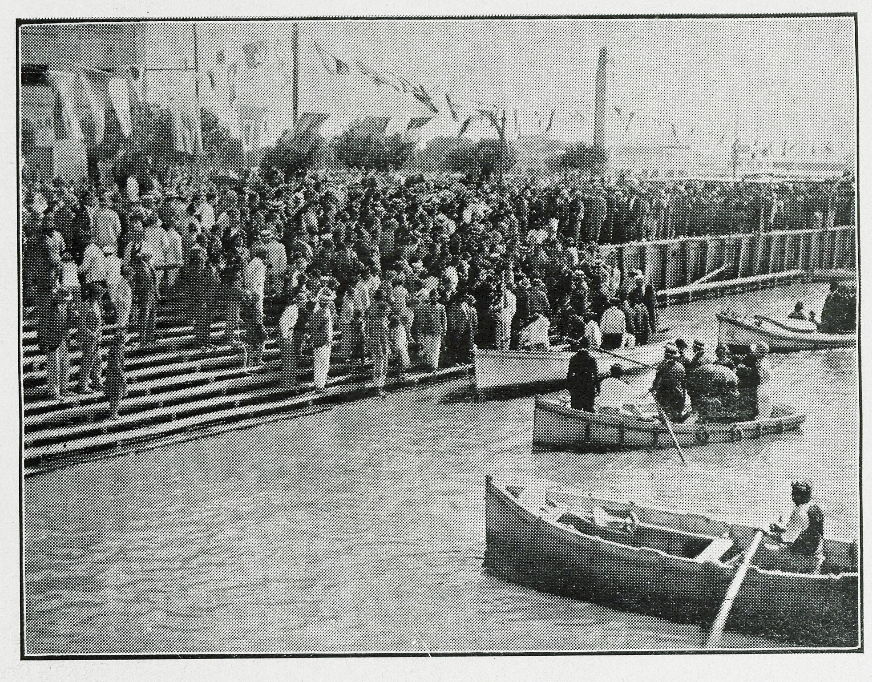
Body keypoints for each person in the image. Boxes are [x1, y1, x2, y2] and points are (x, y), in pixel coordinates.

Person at [762, 481, 826, 573]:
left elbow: (786, 539)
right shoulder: (815, 508)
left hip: (801, 561)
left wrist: (766, 533)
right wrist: (780, 529)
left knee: (764, 549)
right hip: (816, 558)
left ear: (798, 496)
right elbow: (803, 529)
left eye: (793, 494)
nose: (792, 498)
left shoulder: (800, 512)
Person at [77, 282, 104, 394]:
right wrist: (92, 335)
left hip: (96, 337)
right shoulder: (85, 305)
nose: (100, 296)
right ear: (93, 294)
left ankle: (96, 381)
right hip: (87, 337)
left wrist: (98, 334)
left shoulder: (97, 305)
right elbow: (82, 324)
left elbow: (100, 322)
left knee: (97, 360)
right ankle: (83, 385)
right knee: (87, 361)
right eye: (98, 294)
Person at [413, 289, 446, 371]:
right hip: (427, 330)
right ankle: (429, 365)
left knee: (436, 348)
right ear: (430, 297)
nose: (434, 298)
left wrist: (444, 329)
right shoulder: (425, 307)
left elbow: (444, 319)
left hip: (437, 330)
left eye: (435, 296)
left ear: (437, 297)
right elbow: (422, 320)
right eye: (432, 296)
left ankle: (434, 366)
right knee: (428, 348)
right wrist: (421, 329)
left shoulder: (441, 307)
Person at [652, 344, 687, 421]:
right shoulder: (680, 366)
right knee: (674, 410)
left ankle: (665, 417)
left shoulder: (663, 365)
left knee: (659, 398)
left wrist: (653, 388)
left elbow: (657, 381)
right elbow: (683, 384)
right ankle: (675, 416)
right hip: (678, 393)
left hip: (666, 393)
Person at [278, 290, 306, 390]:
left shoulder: (296, 309)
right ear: (299, 301)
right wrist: (285, 337)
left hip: (290, 334)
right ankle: (285, 382)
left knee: (291, 360)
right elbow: (282, 323)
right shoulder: (291, 309)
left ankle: (290, 381)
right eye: (303, 301)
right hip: (285, 335)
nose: (305, 303)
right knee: (288, 360)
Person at [366, 289, 391, 397]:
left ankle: (380, 386)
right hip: (377, 340)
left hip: (382, 339)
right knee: (379, 363)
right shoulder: (375, 315)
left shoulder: (381, 317)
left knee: (383, 364)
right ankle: (378, 387)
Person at [566, 336, 599, 412]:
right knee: (589, 409)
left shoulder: (574, 358)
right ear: (588, 346)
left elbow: (569, 374)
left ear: (579, 345)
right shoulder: (591, 359)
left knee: (575, 409)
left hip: (577, 384)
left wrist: (569, 387)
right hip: (588, 384)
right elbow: (595, 375)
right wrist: (597, 388)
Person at [310, 289, 334, 390]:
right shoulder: (322, 313)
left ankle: (319, 384)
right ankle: (320, 385)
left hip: (320, 341)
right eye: (327, 302)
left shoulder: (321, 312)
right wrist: (327, 339)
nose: (328, 304)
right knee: (323, 364)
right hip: (322, 341)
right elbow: (322, 329)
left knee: (319, 363)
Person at [104, 333, 127, 420]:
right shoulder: (115, 351)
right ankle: (113, 413)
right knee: (116, 394)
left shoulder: (117, 349)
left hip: (113, 374)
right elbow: (116, 365)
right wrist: (122, 377)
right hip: (115, 375)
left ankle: (114, 413)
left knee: (117, 394)